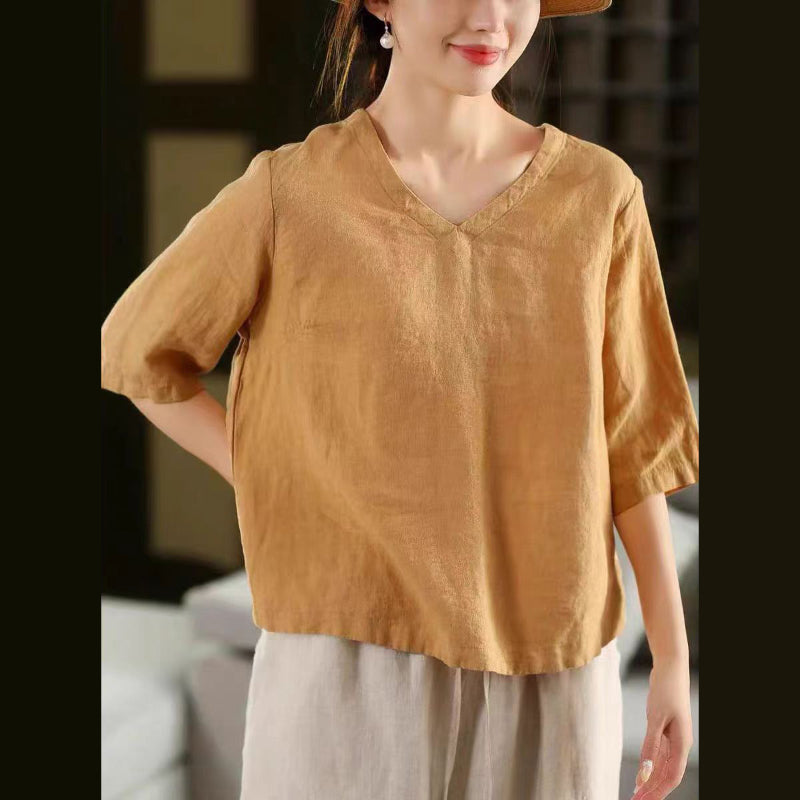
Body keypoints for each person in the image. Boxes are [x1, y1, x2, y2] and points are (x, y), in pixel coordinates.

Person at [100, 1, 699, 798]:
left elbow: (636, 446)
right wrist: (279, 479)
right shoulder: (291, 192)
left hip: (551, 666)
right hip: (342, 661)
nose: (490, 17)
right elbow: (138, 350)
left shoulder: (600, 196)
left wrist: (671, 658)